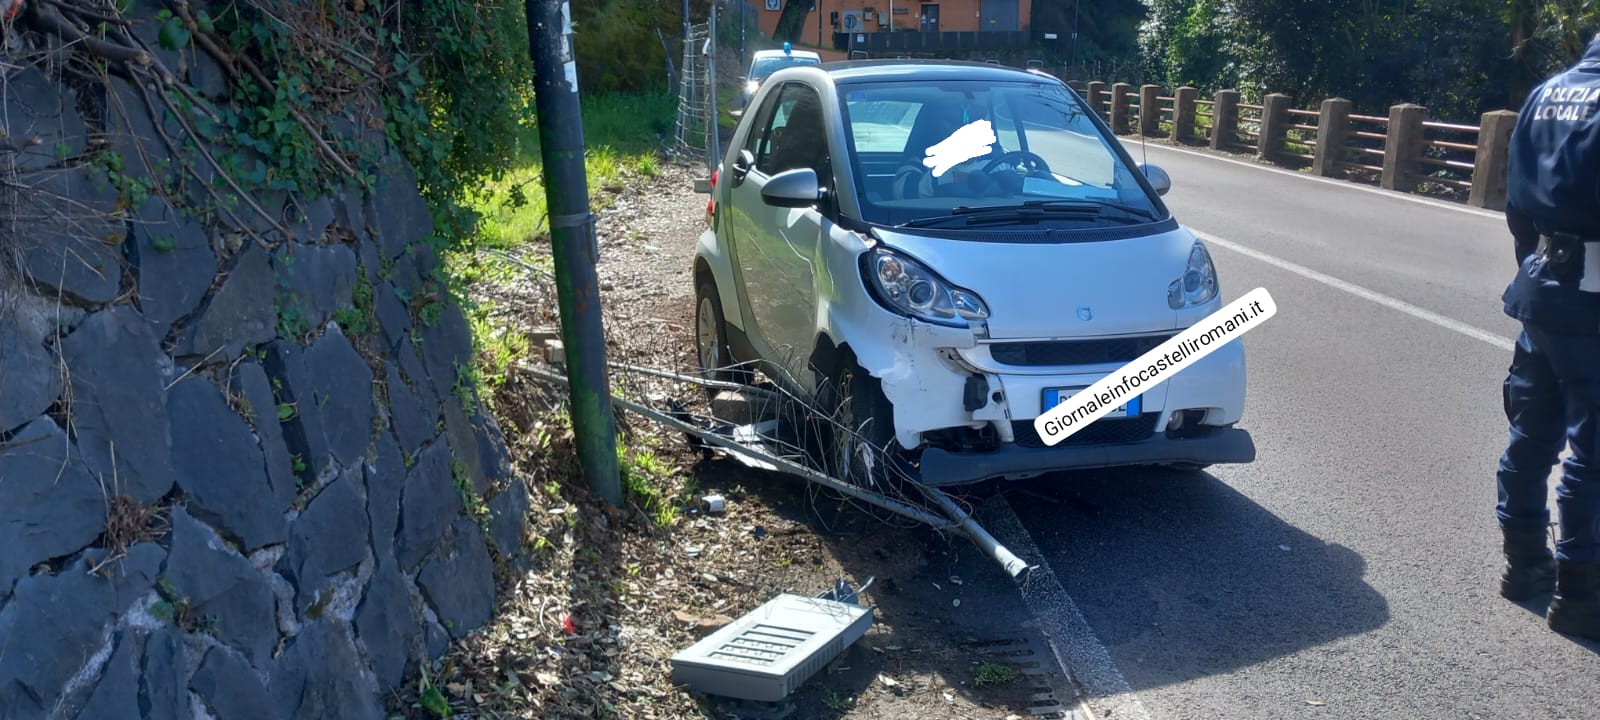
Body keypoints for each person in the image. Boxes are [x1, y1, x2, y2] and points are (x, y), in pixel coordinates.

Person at [1495, 31, 1600, 643]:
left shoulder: (1547, 93)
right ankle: (1582, 592)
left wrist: (1538, 265)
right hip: (1593, 298)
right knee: (1592, 451)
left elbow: (1516, 206)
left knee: (1531, 431)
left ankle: (1524, 562)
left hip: (1541, 285)